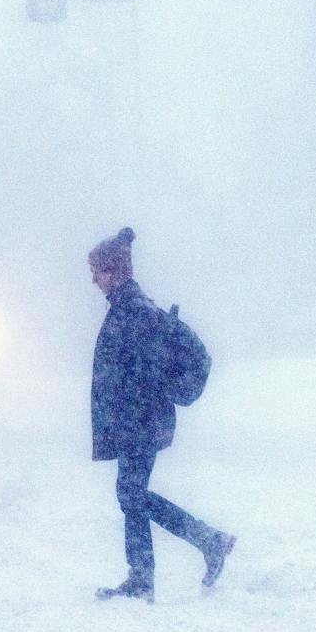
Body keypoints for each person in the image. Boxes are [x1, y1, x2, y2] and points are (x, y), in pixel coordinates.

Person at [88, 227, 234, 602]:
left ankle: (200, 545)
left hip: (141, 421)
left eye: (98, 272)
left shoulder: (133, 312)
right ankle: (159, 567)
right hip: (139, 420)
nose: (93, 280)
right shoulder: (129, 308)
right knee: (131, 494)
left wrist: (129, 408)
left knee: (131, 493)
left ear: (114, 271)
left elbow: (144, 369)